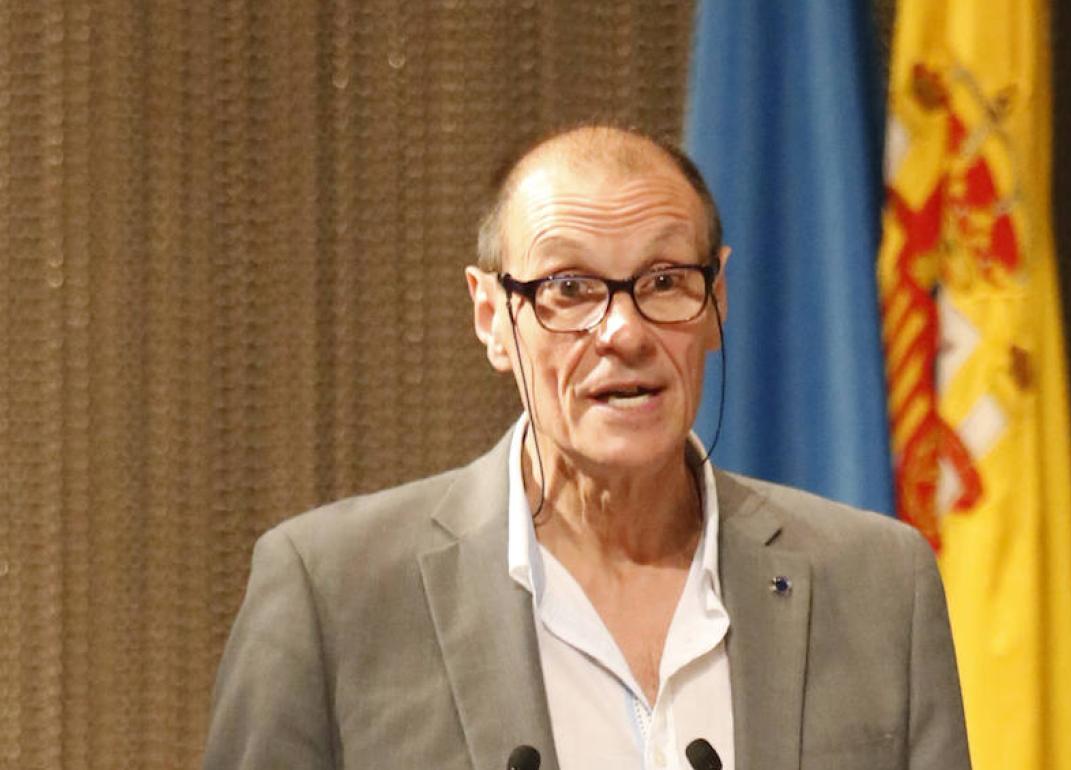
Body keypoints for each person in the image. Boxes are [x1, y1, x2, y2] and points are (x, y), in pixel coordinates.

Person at [203, 125, 970, 770]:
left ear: (716, 300)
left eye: (664, 281)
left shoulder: (878, 586)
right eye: (568, 288)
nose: (624, 332)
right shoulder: (332, 593)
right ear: (492, 318)